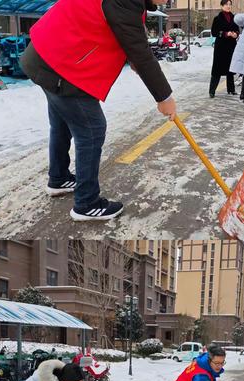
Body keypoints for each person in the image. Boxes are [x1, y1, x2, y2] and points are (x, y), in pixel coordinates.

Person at [20, 0, 176, 223]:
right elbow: (141, 53)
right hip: (62, 67)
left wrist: (132, 55)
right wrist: (164, 97)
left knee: (62, 122)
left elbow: (118, 31)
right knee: (92, 129)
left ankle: (59, 178)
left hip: (44, 56)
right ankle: (86, 203)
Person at [209, 0, 240, 98]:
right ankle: (212, 91)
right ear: (222, 6)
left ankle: (231, 89)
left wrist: (236, 34)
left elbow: (237, 30)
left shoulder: (234, 18)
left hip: (231, 46)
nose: (228, 6)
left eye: (230, 4)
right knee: (217, 69)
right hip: (221, 47)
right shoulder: (217, 18)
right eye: (226, 4)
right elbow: (214, 32)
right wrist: (226, 34)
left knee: (230, 68)